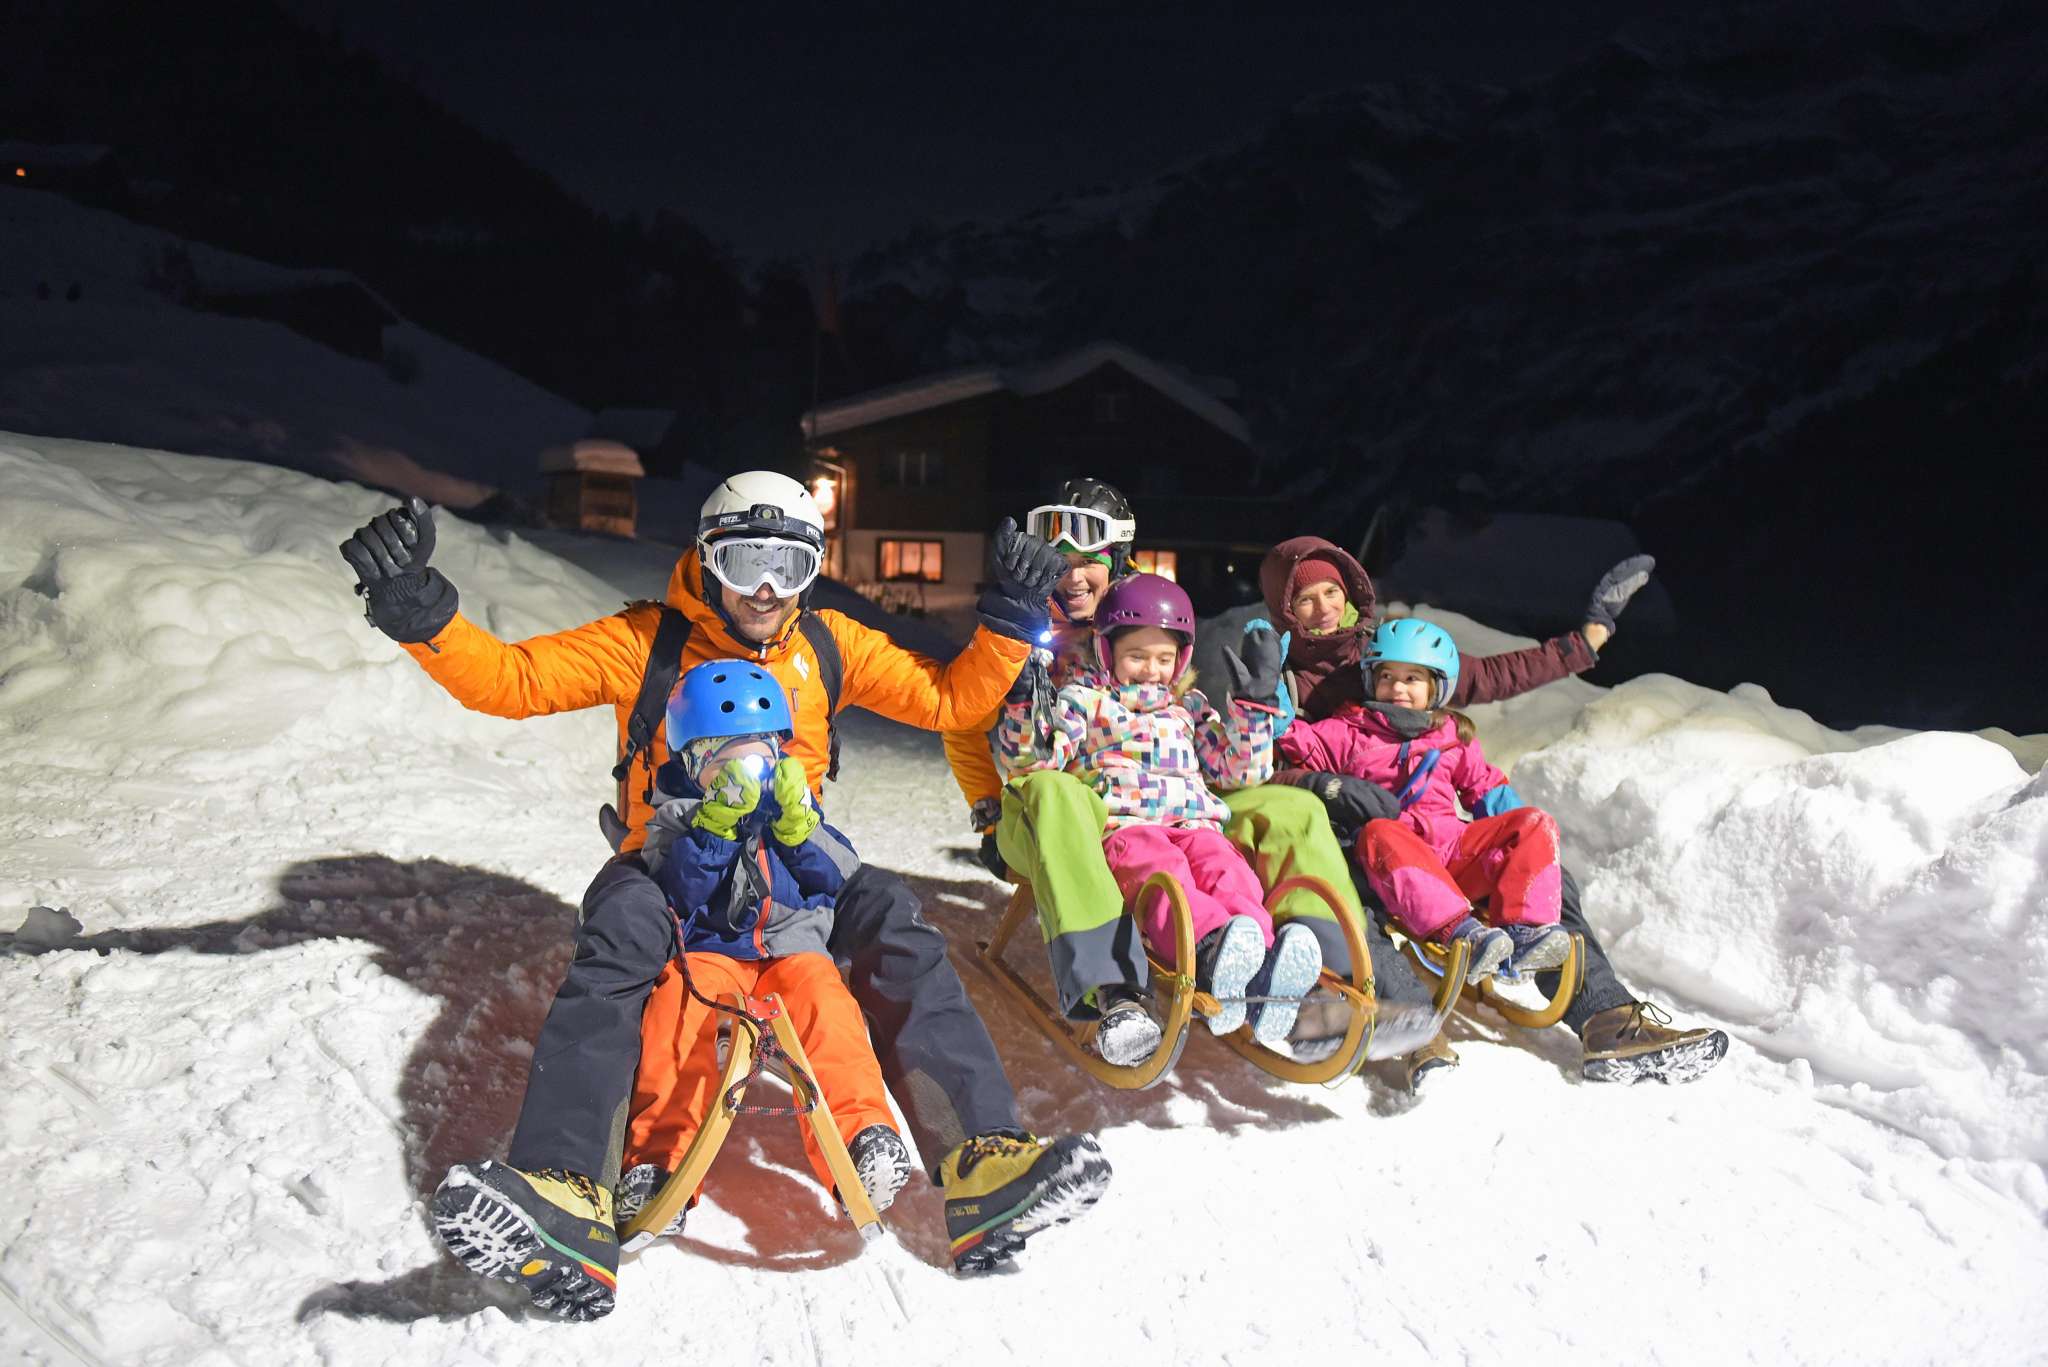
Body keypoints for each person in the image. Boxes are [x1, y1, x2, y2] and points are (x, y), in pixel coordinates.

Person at [338, 472, 1109, 1317]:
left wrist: (1010, 619)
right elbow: (514, 679)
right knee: (619, 936)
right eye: (746, 561)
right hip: (668, 856)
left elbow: (949, 699)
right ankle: (567, 1186)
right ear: (707, 561)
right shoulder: (650, 642)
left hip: (795, 859)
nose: (767, 588)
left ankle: (982, 1159)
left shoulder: (828, 645)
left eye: (789, 563)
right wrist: (423, 614)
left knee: (891, 913)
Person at [944, 480, 1437, 1065]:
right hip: (1057, 808)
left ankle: (1318, 978)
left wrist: (1253, 711)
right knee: (1059, 793)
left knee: (1293, 809)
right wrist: (987, 809)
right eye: (1059, 560)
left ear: (1116, 561)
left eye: (1088, 562)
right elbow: (961, 722)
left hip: (1170, 805)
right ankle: (1114, 987)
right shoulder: (1015, 625)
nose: (1072, 576)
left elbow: (1203, 745)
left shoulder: (1143, 621)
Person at [1260, 535, 1729, 1089]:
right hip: (1353, 837)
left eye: (1332, 592)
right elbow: (1266, 765)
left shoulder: (1392, 646)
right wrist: (1325, 784)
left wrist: (1586, 640)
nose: (1323, 608)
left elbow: (1495, 675)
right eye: (1305, 598)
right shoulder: (1284, 677)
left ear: (1351, 592)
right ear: (1286, 609)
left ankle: (1605, 1016)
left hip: (1436, 838)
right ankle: (1410, 1023)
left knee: (1549, 876)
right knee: (1347, 899)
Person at [604, 661, 910, 1235]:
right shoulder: (676, 818)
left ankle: (861, 1138)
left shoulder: (794, 808)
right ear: (693, 765)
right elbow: (674, 893)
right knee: (675, 1012)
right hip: (710, 953)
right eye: (726, 760)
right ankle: (658, 1160)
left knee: (829, 1008)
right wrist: (713, 830)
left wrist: (800, 830)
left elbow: (840, 876)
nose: (748, 773)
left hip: (792, 952)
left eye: (761, 757)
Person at [995, 572, 1321, 1064]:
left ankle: (1261, 966)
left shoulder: (1188, 710)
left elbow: (1238, 770)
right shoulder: (1085, 701)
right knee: (1165, 875)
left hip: (1197, 826)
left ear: (1181, 661)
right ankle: (1209, 950)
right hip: (1129, 829)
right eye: (1137, 656)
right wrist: (1025, 708)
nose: (1151, 669)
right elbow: (1037, 762)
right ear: (1107, 652)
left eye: (1164, 659)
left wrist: (1254, 713)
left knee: (1230, 873)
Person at [1279, 619, 1571, 985]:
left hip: (1452, 854)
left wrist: (1525, 853)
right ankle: (1460, 934)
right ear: (1371, 679)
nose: (1397, 688)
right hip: (1395, 864)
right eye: (1387, 676)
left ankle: (1526, 930)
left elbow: (1487, 789)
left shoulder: (1450, 735)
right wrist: (1266, 697)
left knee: (1533, 821)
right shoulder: (1350, 732)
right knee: (1379, 830)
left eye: (1412, 678)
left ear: (1436, 686)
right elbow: (1295, 739)